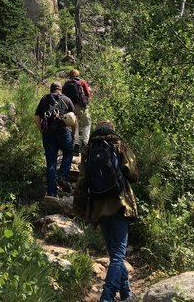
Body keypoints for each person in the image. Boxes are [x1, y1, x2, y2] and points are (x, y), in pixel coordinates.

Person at [74, 120, 138, 302]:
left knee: (115, 255)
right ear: (112, 130)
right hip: (120, 205)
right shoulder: (119, 145)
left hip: (98, 208)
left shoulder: (88, 150)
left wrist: (80, 208)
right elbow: (133, 174)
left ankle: (126, 294)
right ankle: (107, 297)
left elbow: (82, 181)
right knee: (118, 255)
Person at [34, 82, 76, 196]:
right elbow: (73, 119)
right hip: (63, 132)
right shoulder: (67, 100)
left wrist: (42, 131)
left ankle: (51, 192)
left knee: (51, 162)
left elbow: (37, 118)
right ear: (60, 89)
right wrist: (73, 133)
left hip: (48, 134)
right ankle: (62, 176)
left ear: (50, 89)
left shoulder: (44, 100)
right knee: (68, 152)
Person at [62, 68, 92, 156]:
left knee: (75, 125)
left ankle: (76, 145)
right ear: (78, 75)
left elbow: (63, 95)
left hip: (70, 108)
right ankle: (85, 143)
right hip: (81, 106)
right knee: (87, 123)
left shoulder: (66, 84)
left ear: (70, 76)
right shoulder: (82, 82)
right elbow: (88, 94)